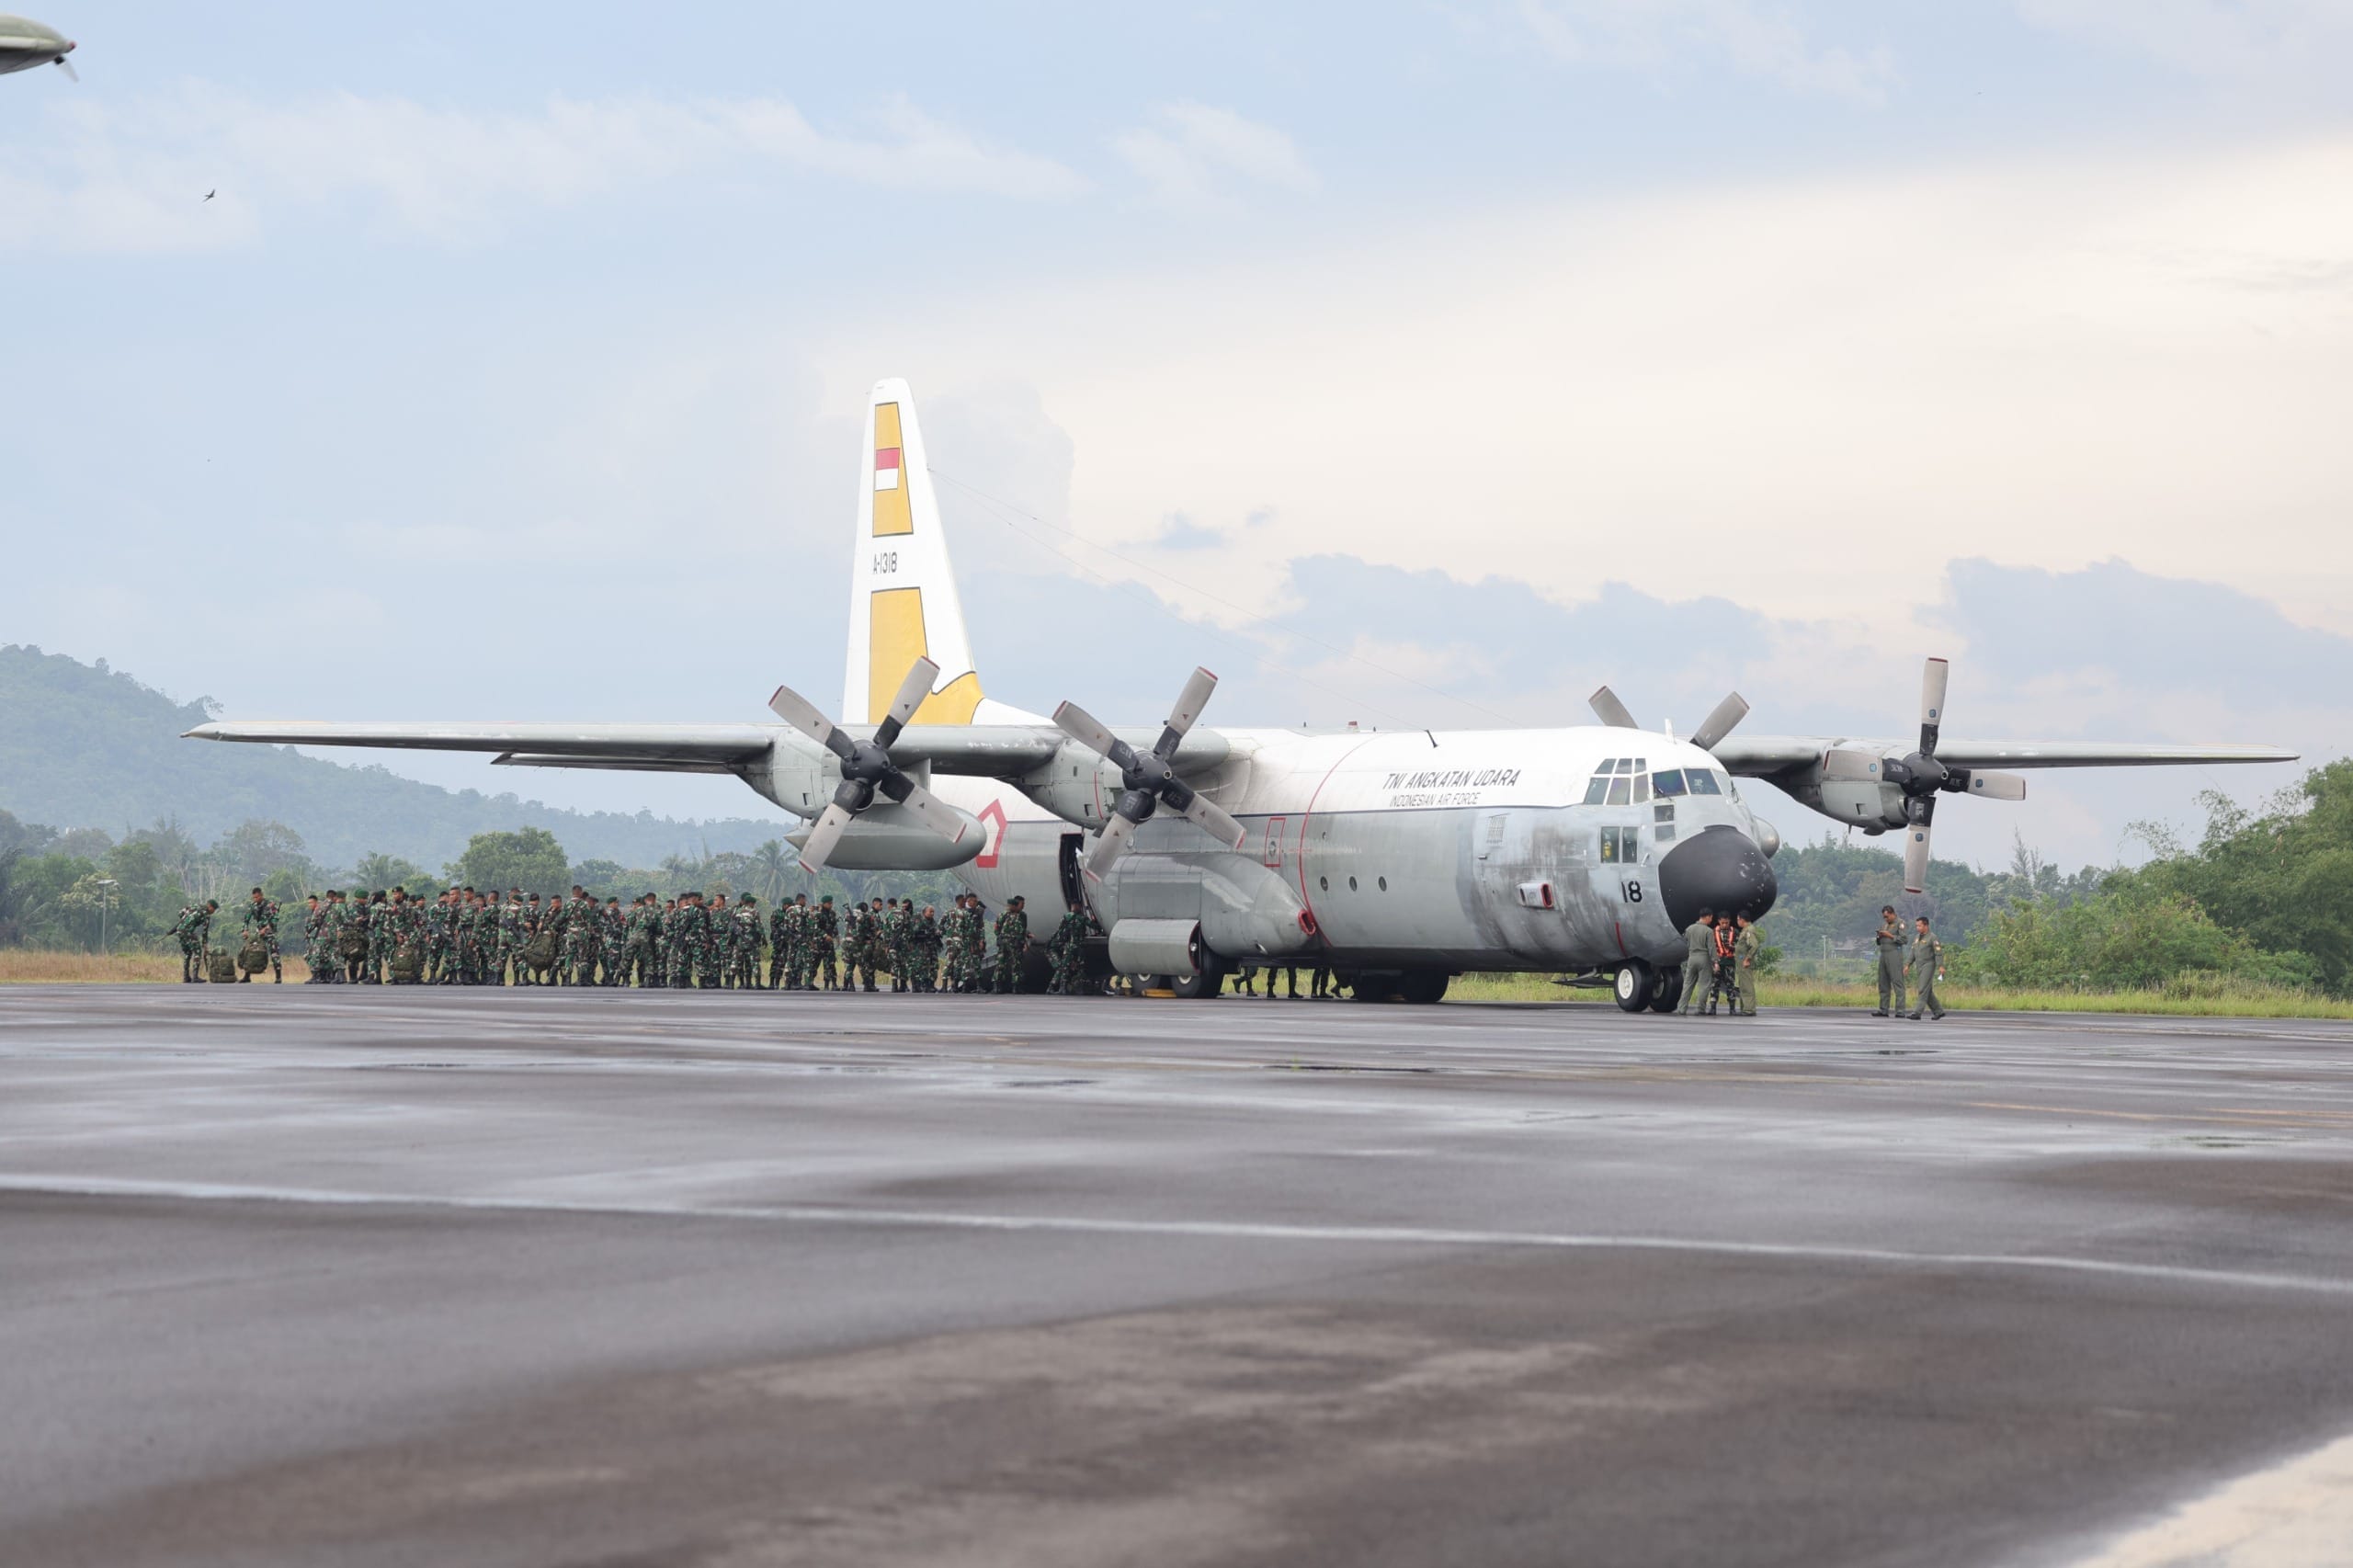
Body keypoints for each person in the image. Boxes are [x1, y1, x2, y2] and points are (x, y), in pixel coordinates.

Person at [1047, 900, 1091, 995]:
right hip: (1068, 948)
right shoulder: (1080, 918)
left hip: (1068, 947)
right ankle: (1057, 987)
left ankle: (1061, 987)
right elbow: (1092, 925)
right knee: (1065, 967)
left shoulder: (1066, 919)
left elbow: (1060, 929)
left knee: (1067, 967)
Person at [1906, 915, 1946, 1020]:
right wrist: (1907, 964)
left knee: (1922, 988)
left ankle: (1917, 1012)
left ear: (1926, 926)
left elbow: (1938, 953)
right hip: (1919, 966)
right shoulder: (1917, 937)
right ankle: (1939, 1011)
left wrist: (1940, 966)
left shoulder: (1932, 937)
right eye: (1916, 926)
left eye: (1919, 926)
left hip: (1928, 965)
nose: (1917, 928)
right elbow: (1912, 952)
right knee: (1927, 991)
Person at [1871, 904, 1908, 1017]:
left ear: (1892, 914)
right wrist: (1879, 936)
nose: (1885, 919)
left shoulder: (1900, 923)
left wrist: (1890, 935)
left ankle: (1900, 1010)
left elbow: (1904, 940)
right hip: (1883, 954)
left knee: (1897, 982)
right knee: (1883, 982)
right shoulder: (1884, 925)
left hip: (1894, 954)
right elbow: (1878, 942)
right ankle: (1883, 1009)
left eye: (1887, 916)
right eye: (1884, 917)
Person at [1677, 911, 1715, 1016]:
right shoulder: (1708, 931)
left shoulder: (1689, 929)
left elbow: (1684, 940)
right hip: (1704, 958)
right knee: (1704, 985)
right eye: (1711, 918)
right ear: (1707, 917)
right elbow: (1711, 948)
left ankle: (1681, 1008)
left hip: (1692, 958)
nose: (1711, 920)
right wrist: (1715, 961)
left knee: (1688, 984)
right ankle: (1700, 1009)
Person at [994, 895, 1029, 994]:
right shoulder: (1004, 915)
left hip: (1015, 943)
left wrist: (1024, 942)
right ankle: (998, 986)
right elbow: (997, 928)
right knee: (1001, 964)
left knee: (1016, 964)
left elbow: (1023, 930)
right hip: (1007, 943)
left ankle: (1015, 987)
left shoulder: (1022, 915)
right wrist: (1000, 938)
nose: (1022, 906)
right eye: (1020, 904)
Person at [1733, 914, 1762, 1017]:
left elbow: (1754, 946)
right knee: (1743, 986)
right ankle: (1745, 1008)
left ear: (1742, 919)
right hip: (1741, 964)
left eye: (1738, 919)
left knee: (1747, 986)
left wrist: (1747, 959)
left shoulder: (1749, 930)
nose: (1737, 921)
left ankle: (1749, 1010)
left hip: (1745, 964)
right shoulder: (1745, 930)